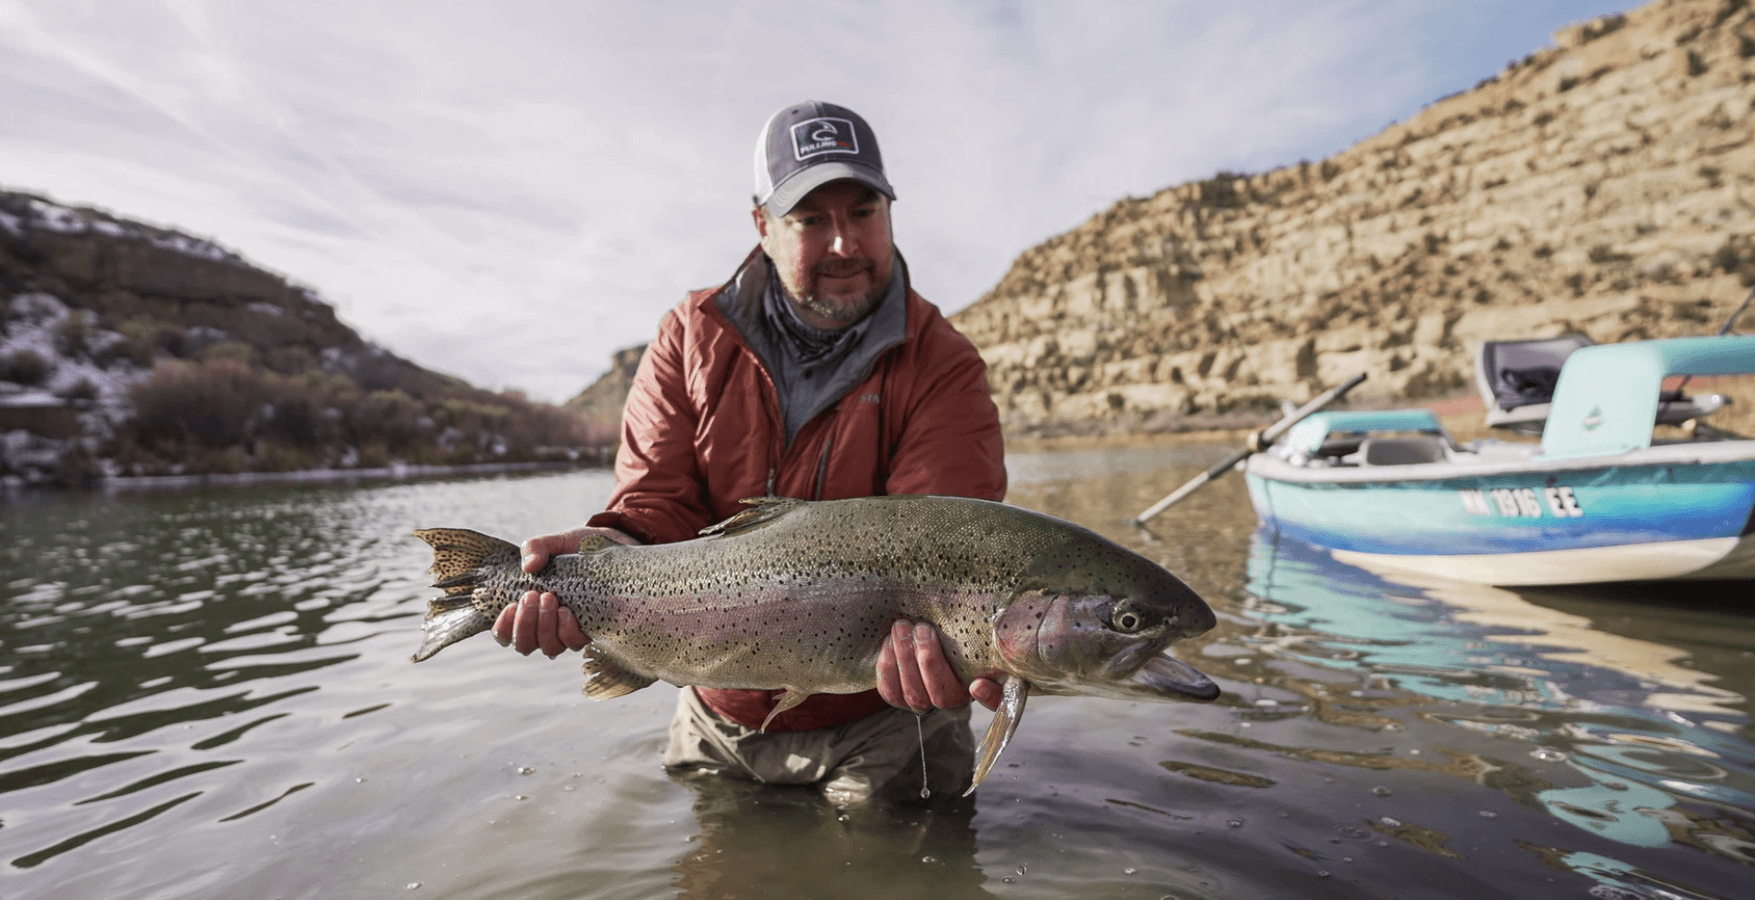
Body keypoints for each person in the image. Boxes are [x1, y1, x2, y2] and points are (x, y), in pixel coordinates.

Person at [494, 100, 1007, 805]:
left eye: (863, 213)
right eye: (810, 220)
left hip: (891, 722)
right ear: (762, 226)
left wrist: (967, 646)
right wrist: (605, 545)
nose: (843, 245)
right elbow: (656, 502)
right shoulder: (688, 337)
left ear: (889, 212)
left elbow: (949, 538)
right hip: (718, 715)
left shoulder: (942, 362)